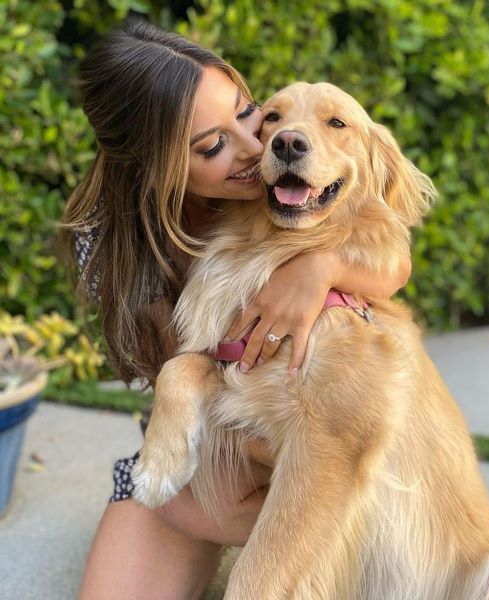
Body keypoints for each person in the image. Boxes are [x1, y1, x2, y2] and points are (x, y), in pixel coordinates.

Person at [62, 20, 411, 600]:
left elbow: (392, 260)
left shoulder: (294, 187)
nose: (257, 146)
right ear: (156, 169)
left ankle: (351, 538)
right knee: (178, 514)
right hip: (213, 437)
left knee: (328, 485)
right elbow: (197, 377)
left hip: (306, 429)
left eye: (248, 111)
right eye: (212, 146)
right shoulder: (111, 242)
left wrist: (321, 269)